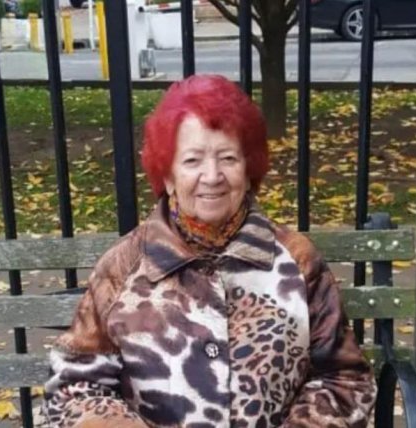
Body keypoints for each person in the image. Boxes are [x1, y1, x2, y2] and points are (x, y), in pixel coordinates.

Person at [43, 74, 376, 428]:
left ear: (248, 169)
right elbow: (73, 390)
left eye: (228, 158)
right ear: (167, 175)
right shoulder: (123, 267)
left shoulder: (297, 260)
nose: (212, 175)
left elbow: (345, 379)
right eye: (192, 161)